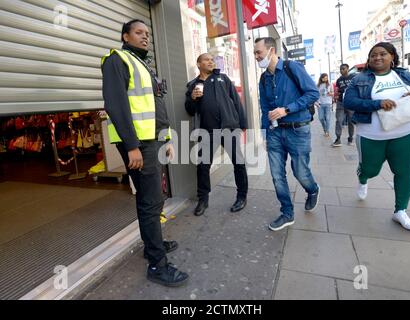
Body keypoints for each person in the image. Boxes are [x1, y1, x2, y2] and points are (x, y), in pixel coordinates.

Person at [101, 19, 189, 286]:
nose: (145, 37)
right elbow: (115, 105)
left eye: (148, 33)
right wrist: (131, 146)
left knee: (151, 198)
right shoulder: (116, 60)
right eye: (139, 32)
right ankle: (157, 264)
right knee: (151, 201)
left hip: (152, 142)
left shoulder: (143, 65)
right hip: (139, 144)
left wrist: (166, 138)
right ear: (125, 36)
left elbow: (156, 106)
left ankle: (153, 243)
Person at [344, 42, 410, 231]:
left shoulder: (406, 76)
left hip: (406, 133)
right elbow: (349, 101)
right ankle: (363, 179)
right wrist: (378, 103)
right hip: (371, 135)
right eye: (373, 55)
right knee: (370, 170)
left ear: (392, 57)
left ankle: (400, 211)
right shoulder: (359, 79)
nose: (378, 57)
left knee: (404, 172)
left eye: (383, 54)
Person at [254, 37, 320, 232]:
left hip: (297, 129)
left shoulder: (293, 68)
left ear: (271, 50)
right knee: (276, 175)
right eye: (255, 54)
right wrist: (265, 134)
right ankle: (287, 213)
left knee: (300, 172)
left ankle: (313, 189)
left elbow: (313, 93)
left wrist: (287, 109)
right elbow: (264, 107)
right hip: (275, 132)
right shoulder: (264, 78)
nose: (256, 57)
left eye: (259, 52)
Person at [185, 53, 248, 216]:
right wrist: (192, 98)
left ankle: (242, 196)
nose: (211, 62)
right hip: (207, 131)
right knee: (203, 166)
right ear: (198, 64)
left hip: (229, 128)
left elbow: (236, 101)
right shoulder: (193, 84)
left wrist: (243, 124)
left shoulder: (223, 79)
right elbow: (190, 110)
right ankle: (203, 200)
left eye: (212, 60)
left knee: (238, 163)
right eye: (207, 59)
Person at [333, 64, 356, 147]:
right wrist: (337, 94)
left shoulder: (353, 78)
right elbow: (338, 90)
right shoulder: (339, 80)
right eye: (340, 69)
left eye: (343, 69)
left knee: (351, 121)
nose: (341, 70)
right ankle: (338, 139)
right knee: (339, 120)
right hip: (340, 103)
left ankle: (350, 138)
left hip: (350, 102)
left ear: (347, 69)